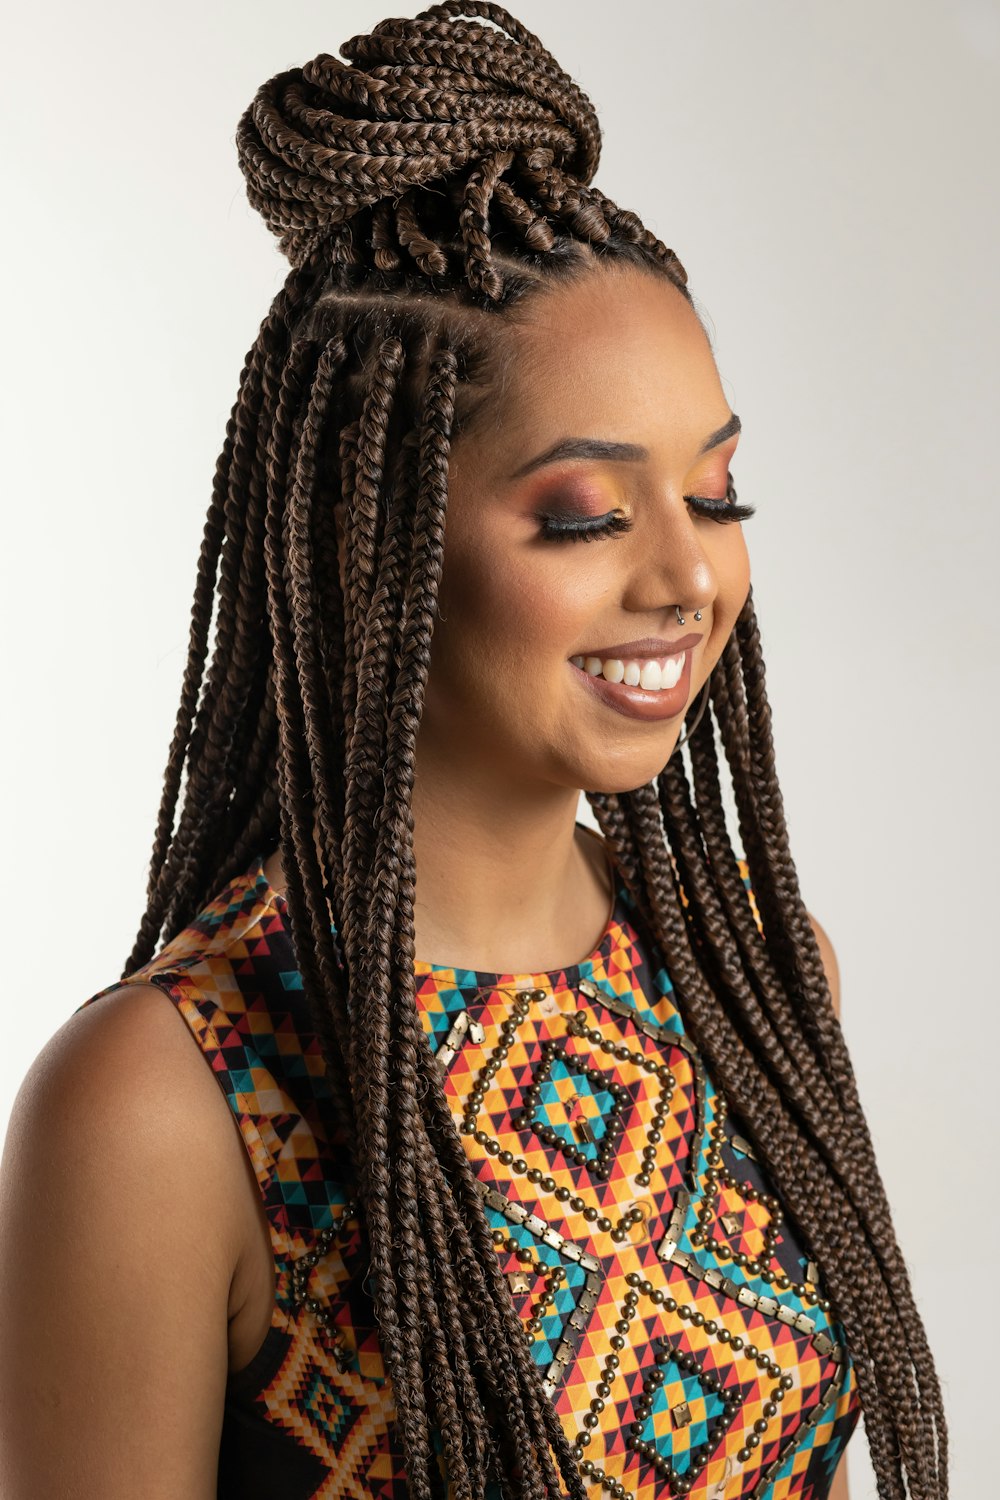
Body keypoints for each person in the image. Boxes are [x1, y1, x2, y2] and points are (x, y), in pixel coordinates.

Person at [0, 5, 946, 1499]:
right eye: (586, 513)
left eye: (717, 494)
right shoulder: (166, 1104)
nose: (687, 577)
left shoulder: (757, 975)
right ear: (366, 537)